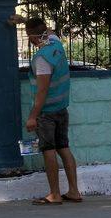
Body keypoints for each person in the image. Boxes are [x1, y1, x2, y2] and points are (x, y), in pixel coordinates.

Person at [25, 17, 83, 205]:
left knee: (48, 150)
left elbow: (42, 90)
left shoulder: (42, 58)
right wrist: (24, 20)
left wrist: (33, 116)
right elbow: (47, 31)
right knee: (64, 148)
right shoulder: (57, 46)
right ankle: (74, 191)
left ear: (32, 38)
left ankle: (54, 194)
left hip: (47, 112)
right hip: (61, 108)